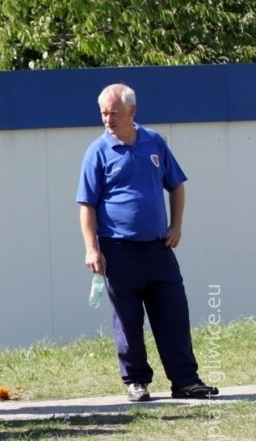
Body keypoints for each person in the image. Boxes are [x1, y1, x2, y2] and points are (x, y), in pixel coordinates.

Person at [76, 83, 219, 402]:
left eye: (114, 113)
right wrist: (92, 248)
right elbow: (86, 204)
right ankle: (136, 381)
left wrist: (176, 226)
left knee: (173, 313)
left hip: (158, 248)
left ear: (132, 111)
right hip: (118, 249)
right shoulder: (97, 151)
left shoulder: (154, 142)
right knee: (127, 319)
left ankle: (185, 381)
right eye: (103, 113)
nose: (108, 120)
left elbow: (176, 185)